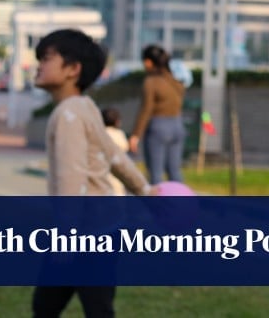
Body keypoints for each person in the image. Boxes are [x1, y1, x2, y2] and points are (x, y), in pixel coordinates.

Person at [32, 28, 156, 318]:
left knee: (53, 307)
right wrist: (145, 190)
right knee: (87, 306)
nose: (39, 64)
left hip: (82, 233)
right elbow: (115, 156)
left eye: (47, 58)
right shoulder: (87, 107)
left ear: (72, 69)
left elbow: (70, 179)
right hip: (106, 229)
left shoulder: (67, 115)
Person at [130, 44, 187, 184]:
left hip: (158, 127)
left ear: (149, 62)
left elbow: (146, 109)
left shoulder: (151, 82)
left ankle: (156, 205)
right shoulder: (175, 81)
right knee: (174, 171)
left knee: (155, 174)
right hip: (177, 126)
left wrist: (136, 135)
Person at [101, 107, 129, 196]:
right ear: (117, 121)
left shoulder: (101, 133)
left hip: (103, 171)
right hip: (117, 170)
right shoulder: (119, 133)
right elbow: (125, 147)